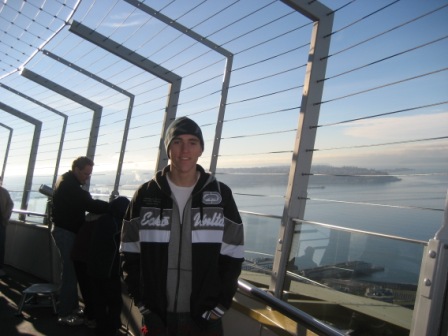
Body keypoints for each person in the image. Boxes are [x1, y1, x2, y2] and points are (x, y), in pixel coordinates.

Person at [120, 117, 245, 336]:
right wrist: (143, 305)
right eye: (177, 141)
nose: (184, 149)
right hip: (157, 316)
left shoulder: (220, 195)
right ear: (168, 149)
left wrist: (219, 308)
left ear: (200, 150)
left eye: (192, 142)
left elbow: (233, 254)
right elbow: (129, 252)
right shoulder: (145, 195)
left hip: (205, 318)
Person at [51, 156, 109, 326]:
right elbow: (89, 204)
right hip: (66, 232)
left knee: (70, 272)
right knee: (70, 273)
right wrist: (111, 207)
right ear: (76, 169)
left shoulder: (65, 181)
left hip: (64, 231)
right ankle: (65, 313)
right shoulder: (70, 186)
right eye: (85, 174)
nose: (87, 178)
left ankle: (71, 307)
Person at [0, 177, 14, 277]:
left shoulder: (4, 192)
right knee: (1, 246)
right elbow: (10, 204)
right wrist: (5, 216)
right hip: (2, 223)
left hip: (1, 222)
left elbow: (10, 204)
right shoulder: (4, 192)